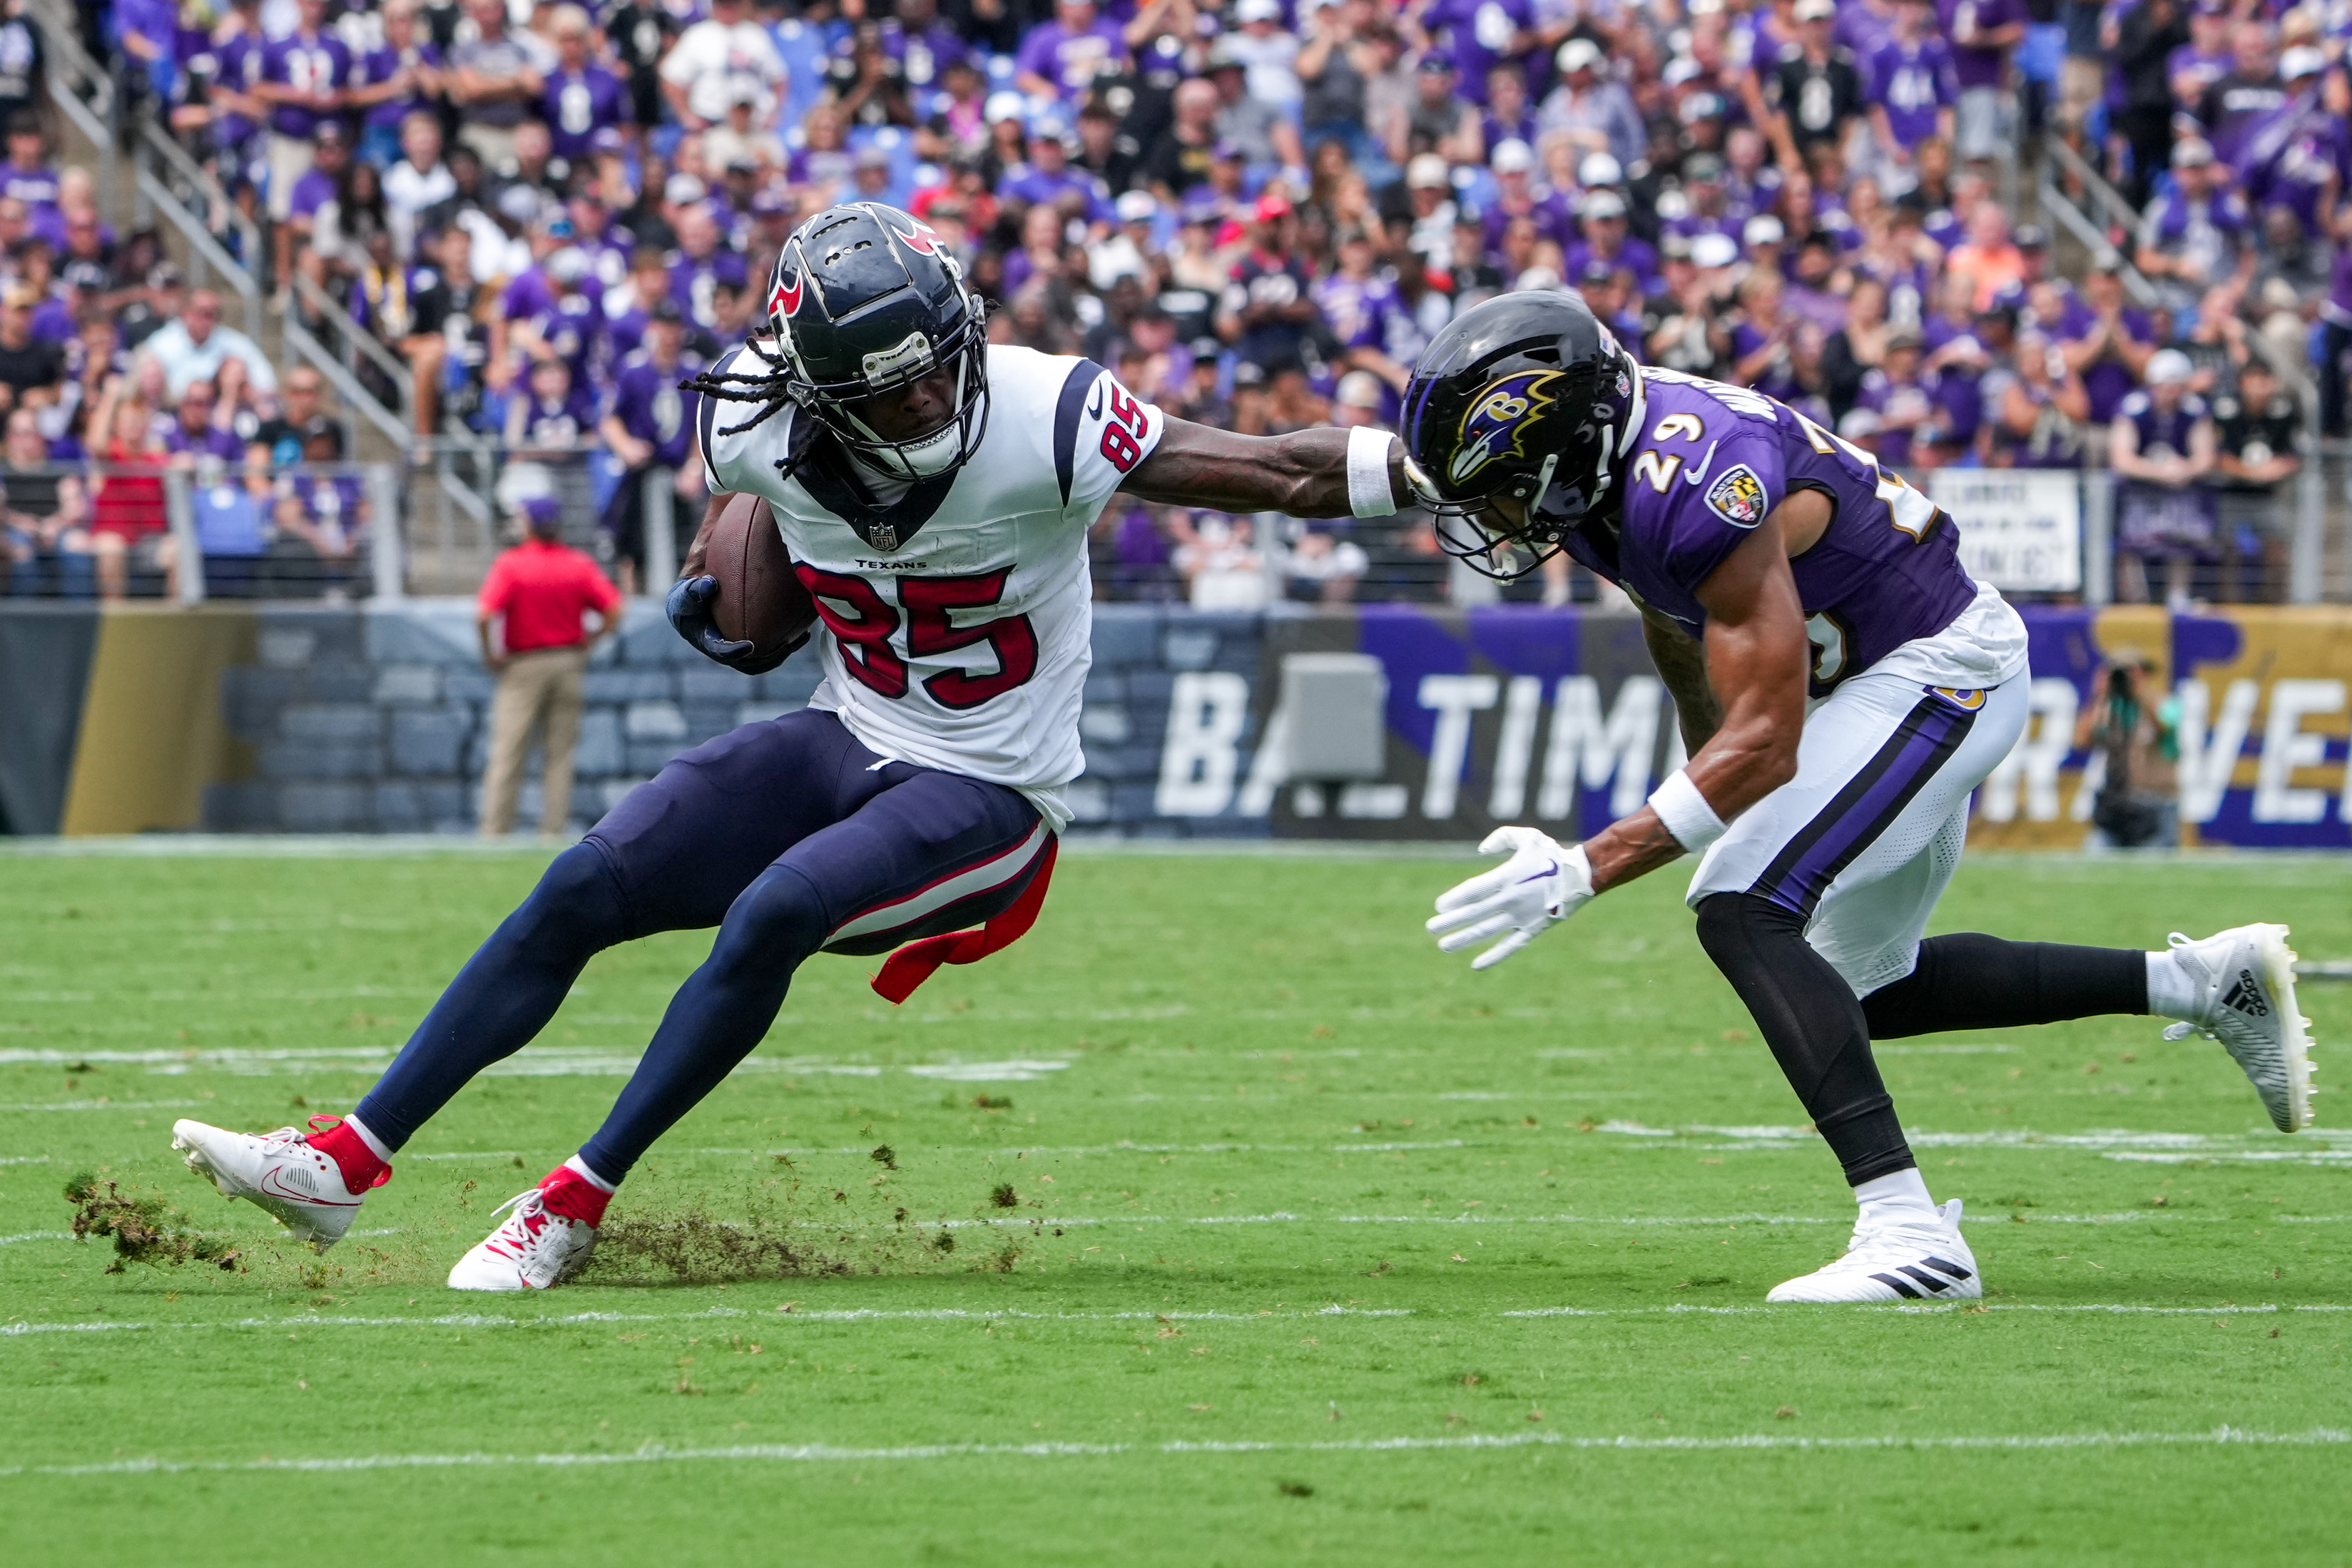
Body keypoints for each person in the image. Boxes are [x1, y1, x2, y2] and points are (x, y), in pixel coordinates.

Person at [168, 199, 1415, 1289]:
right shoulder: (753, 419)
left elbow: (1276, 470)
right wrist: (734, 591)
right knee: (582, 882)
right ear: (815, 386)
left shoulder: (1049, 412)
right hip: (848, 729)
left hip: (991, 788)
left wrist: (1429, 469)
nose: (929, 396)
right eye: (891, 386)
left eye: (939, 365)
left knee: (770, 909)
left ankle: (571, 1202)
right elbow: (749, 532)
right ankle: (343, 1159)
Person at [1402, 292, 2310, 1305]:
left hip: (1934, 668)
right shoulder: (1614, 468)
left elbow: (1766, 743)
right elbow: (1678, 627)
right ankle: (2202, 983)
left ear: (1568, 442)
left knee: (1740, 905)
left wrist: (1585, 867)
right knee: (1860, 987)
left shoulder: (1697, 478)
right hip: (1879, 683)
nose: (1489, 516)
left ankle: (1908, 1230)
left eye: (1500, 489)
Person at [473, 494, 620, 838]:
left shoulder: (512, 563)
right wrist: (591, 640)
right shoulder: (578, 563)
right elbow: (615, 608)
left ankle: (495, 831)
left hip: (523, 666)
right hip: (569, 661)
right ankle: (552, 831)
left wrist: (490, 654)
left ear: (529, 524)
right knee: (560, 755)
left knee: (508, 752)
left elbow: (483, 614)